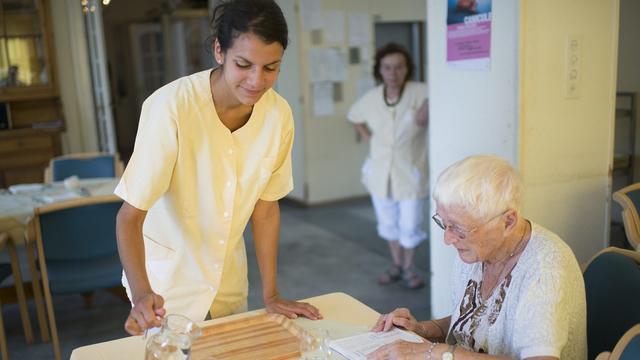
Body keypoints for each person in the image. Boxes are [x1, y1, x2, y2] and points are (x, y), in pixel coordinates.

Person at [115, 0, 321, 336]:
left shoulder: (278, 115)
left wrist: (271, 294)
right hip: (166, 288)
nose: (257, 81)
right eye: (244, 64)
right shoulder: (171, 108)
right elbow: (129, 216)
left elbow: (266, 208)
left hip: (227, 282)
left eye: (271, 68)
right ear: (219, 51)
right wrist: (141, 295)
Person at [367, 155, 587, 360]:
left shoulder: (545, 268)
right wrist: (421, 330)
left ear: (508, 222)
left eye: (459, 229)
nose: (448, 238)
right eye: (444, 223)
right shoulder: (478, 251)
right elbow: (474, 323)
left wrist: (436, 352)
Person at [347, 43, 428, 289]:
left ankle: (409, 268)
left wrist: (426, 110)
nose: (393, 72)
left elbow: (440, 98)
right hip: (380, 171)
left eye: (399, 67)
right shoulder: (372, 98)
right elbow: (353, 116)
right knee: (388, 222)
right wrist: (367, 137)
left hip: (410, 170)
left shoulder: (421, 91)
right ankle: (397, 265)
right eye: (387, 67)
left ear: (407, 69)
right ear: (380, 70)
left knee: (410, 222)